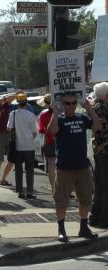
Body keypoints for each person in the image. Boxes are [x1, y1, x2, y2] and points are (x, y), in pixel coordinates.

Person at [47, 92, 101, 242]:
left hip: (82, 167)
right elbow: (52, 131)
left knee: (85, 198)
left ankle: (83, 228)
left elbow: (97, 127)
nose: (70, 106)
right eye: (67, 103)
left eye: (73, 103)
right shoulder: (61, 119)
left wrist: (90, 110)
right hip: (65, 168)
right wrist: (55, 112)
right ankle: (61, 229)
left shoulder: (82, 118)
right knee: (61, 200)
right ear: (62, 104)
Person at [7, 93, 37, 199]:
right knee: (29, 170)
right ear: (26, 103)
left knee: (18, 170)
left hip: (17, 146)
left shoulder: (13, 114)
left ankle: (20, 192)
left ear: (17, 103)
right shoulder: (31, 115)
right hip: (29, 146)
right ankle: (29, 192)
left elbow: (9, 129)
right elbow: (34, 133)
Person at [89, 82, 108, 228]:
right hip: (105, 148)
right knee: (105, 184)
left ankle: (95, 216)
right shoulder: (104, 107)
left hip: (97, 149)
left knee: (99, 184)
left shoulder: (94, 105)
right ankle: (104, 219)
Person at [0, 93, 16, 186]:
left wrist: (6, 97)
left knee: (12, 158)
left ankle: (3, 179)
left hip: (9, 133)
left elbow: (12, 98)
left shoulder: (4, 106)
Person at [37, 94, 56, 192]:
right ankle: (66, 189)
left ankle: (54, 188)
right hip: (61, 141)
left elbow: (41, 130)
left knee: (51, 166)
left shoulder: (43, 115)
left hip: (49, 141)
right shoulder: (61, 112)